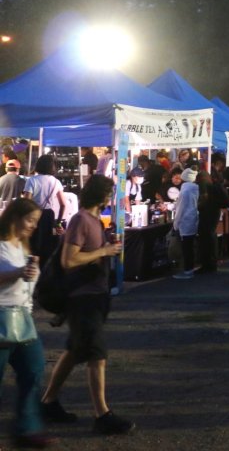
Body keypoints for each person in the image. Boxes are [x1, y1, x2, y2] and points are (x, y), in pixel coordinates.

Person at [39, 175, 134, 435]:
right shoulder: (81, 219)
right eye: (110, 194)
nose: (110, 198)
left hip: (94, 296)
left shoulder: (93, 221)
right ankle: (102, 414)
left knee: (74, 351)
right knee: (96, 354)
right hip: (83, 299)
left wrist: (106, 246)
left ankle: (47, 402)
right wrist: (103, 252)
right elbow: (69, 260)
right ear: (102, 196)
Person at [0, 198, 52, 447]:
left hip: (22, 317)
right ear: (14, 218)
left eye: (36, 222)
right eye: (30, 220)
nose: (33, 226)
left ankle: (27, 428)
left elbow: (28, 285)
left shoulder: (23, 247)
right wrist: (18, 273)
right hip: (1, 316)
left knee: (34, 369)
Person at [22, 156, 69, 261]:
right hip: (49, 215)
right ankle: (45, 270)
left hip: (34, 215)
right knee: (46, 245)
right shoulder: (56, 182)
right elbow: (63, 204)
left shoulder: (32, 180)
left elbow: (26, 203)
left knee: (33, 243)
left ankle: (33, 266)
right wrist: (58, 222)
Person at [195, 170, 229, 275]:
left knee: (205, 238)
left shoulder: (204, 185)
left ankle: (207, 264)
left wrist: (197, 206)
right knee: (211, 237)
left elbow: (204, 198)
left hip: (207, 214)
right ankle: (212, 263)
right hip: (215, 213)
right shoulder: (214, 185)